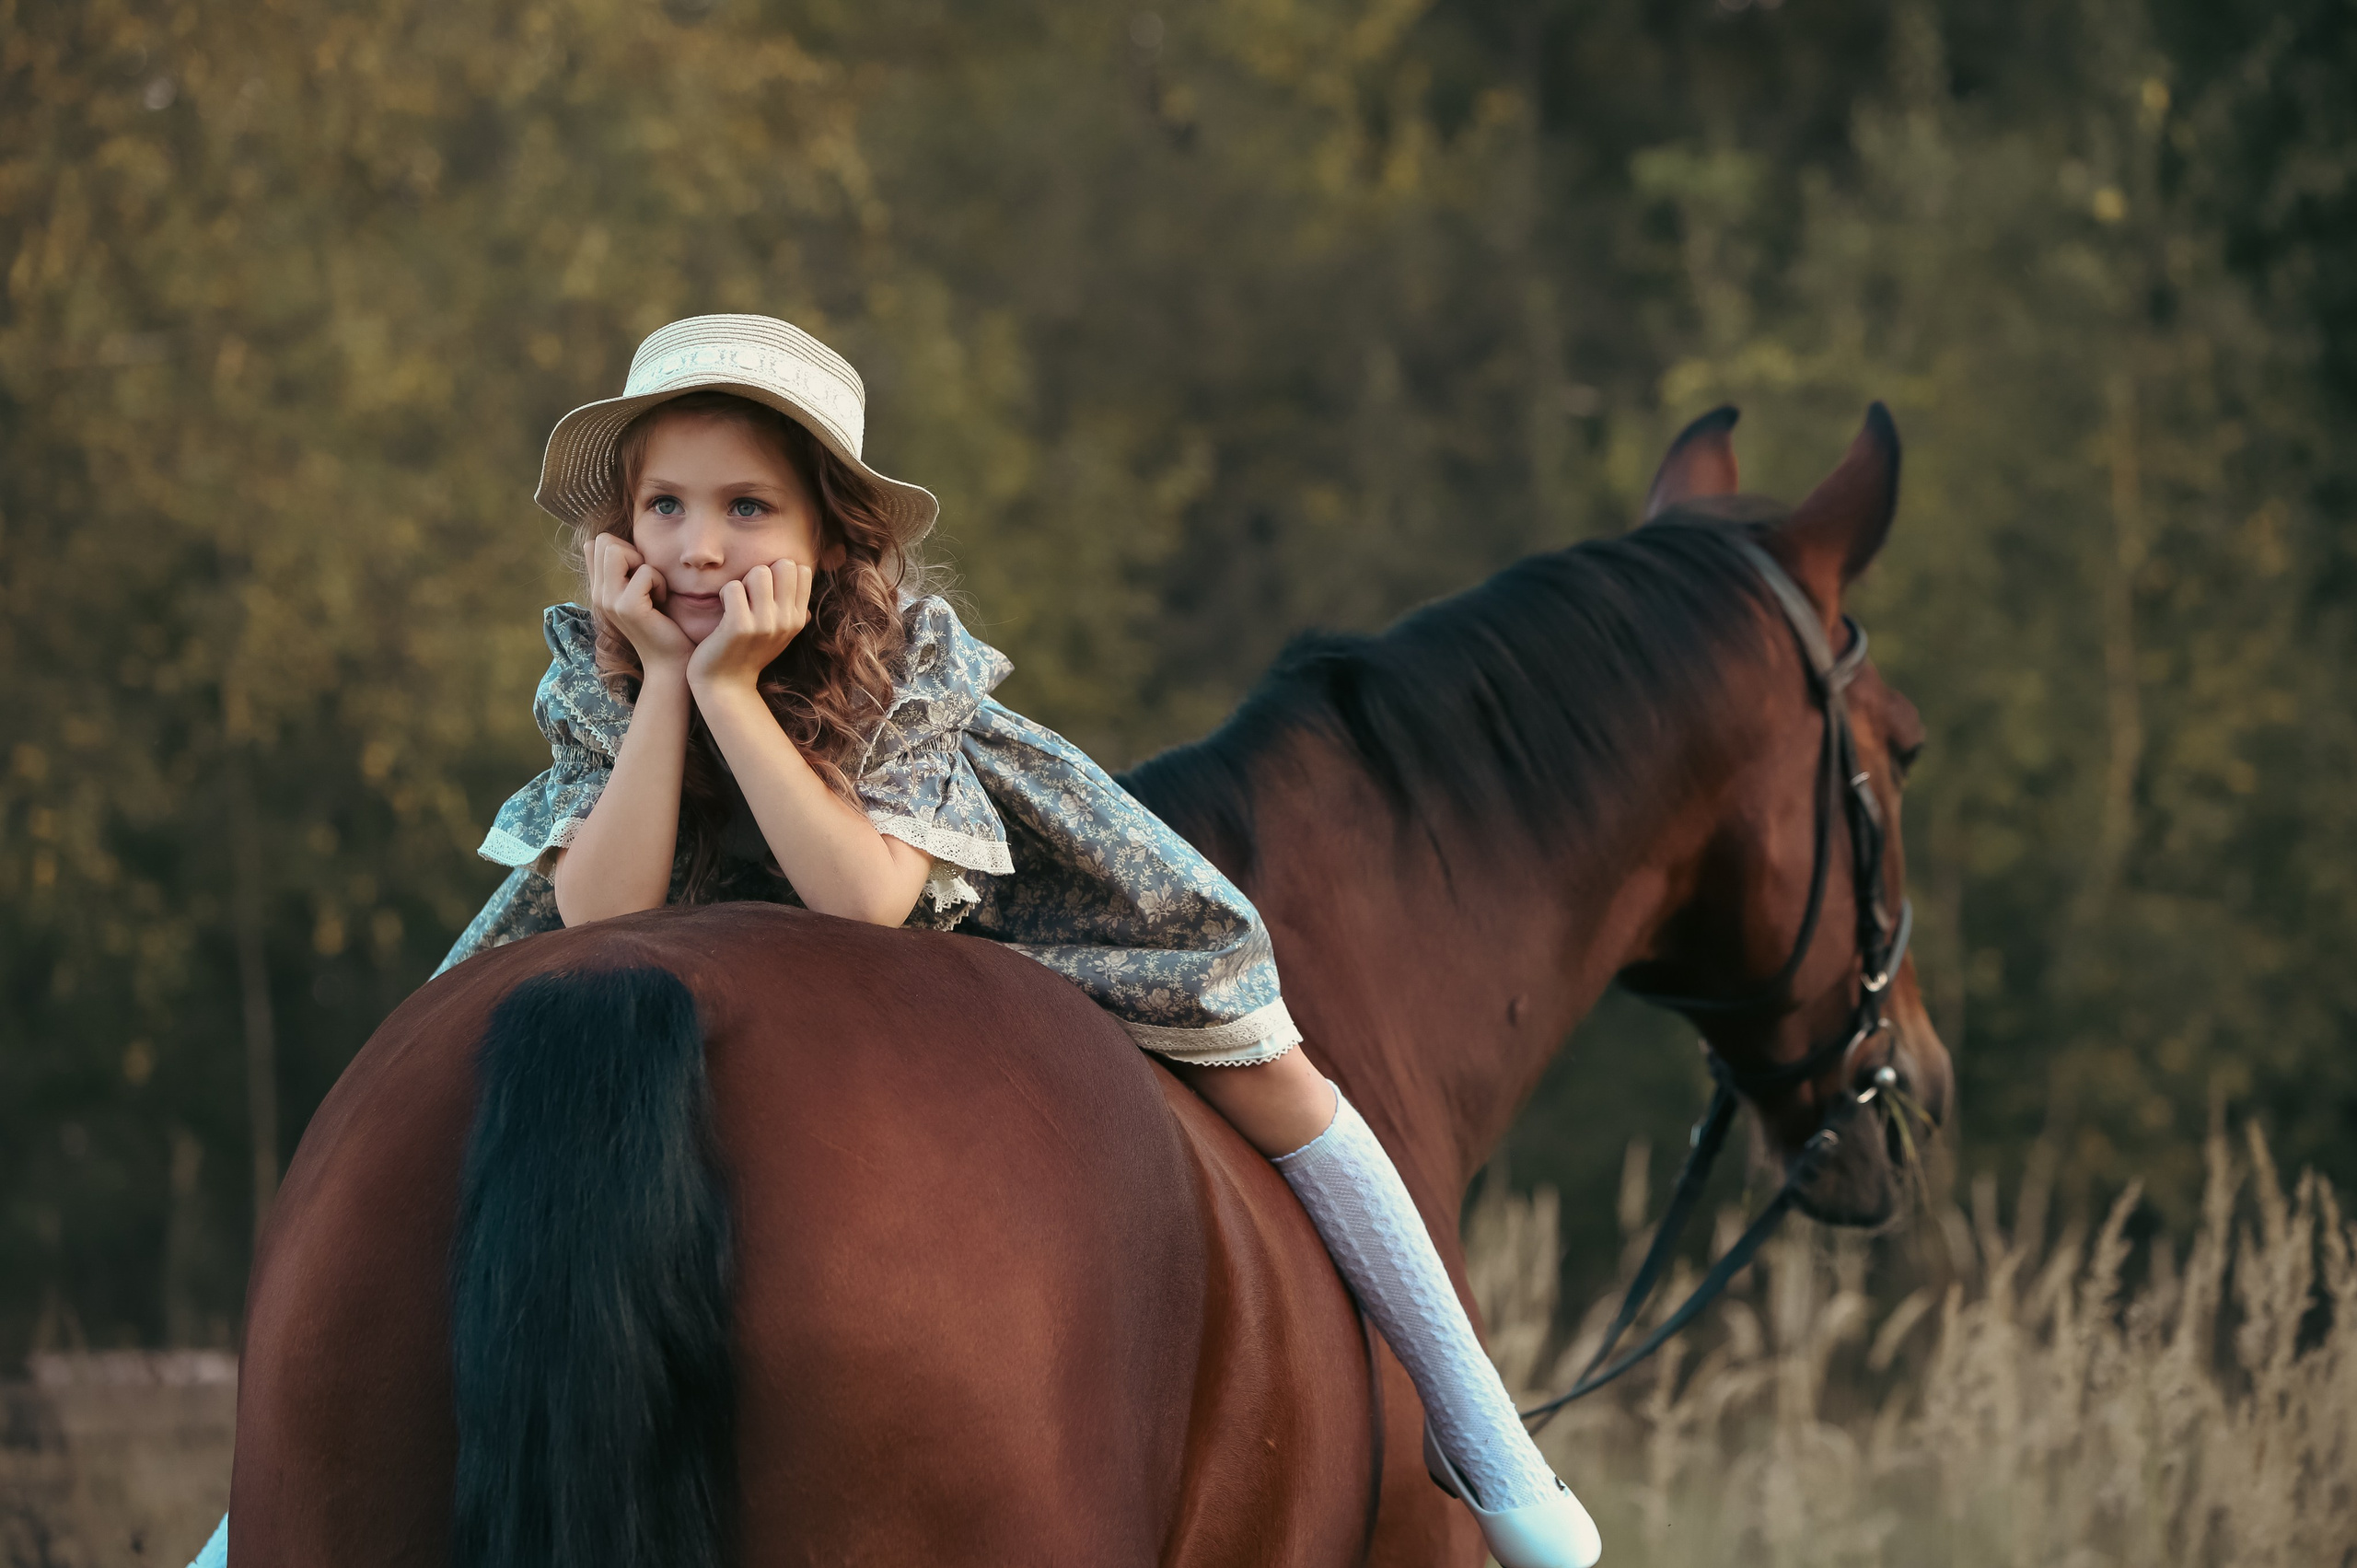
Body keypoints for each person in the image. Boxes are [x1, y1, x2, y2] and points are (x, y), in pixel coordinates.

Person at [203, 315, 1597, 1568]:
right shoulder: (604, 667)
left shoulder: (900, 659)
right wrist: (670, 693)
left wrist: (739, 697)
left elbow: (861, 907)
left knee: (1270, 1064)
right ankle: (250, 1504)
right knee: (444, 1057)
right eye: (664, 507)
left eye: (747, 508)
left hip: (959, 909)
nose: (698, 548)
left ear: (830, 538)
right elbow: (609, 917)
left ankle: (1488, 1442)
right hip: (690, 902)